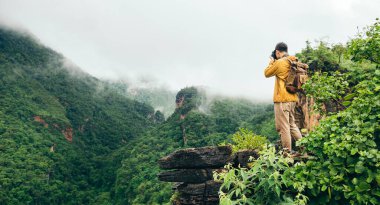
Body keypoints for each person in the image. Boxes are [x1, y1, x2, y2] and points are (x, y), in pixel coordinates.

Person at [264, 42, 303, 153]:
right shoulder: (293, 60)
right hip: (292, 98)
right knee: (292, 125)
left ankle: (286, 153)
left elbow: (266, 73)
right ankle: (305, 149)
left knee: (283, 127)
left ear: (277, 52)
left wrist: (271, 62)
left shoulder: (280, 62)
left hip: (282, 99)